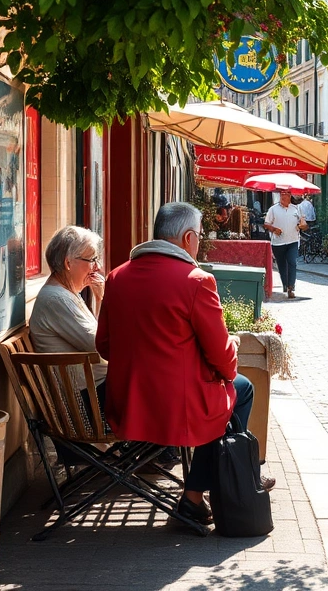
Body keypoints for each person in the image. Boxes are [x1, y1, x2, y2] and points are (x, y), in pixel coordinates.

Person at [96, 202, 273, 526]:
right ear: (188, 238)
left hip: (127, 402)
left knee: (226, 393)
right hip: (175, 408)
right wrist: (229, 351)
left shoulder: (117, 276)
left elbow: (104, 346)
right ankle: (204, 491)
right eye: (200, 236)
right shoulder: (196, 280)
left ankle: (228, 480)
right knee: (239, 389)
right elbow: (223, 359)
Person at [30, 225, 107, 393]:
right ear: (68, 263)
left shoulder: (66, 293)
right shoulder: (57, 299)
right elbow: (100, 346)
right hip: (86, 395)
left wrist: (100, 299)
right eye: (92, 259)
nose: (98, 266)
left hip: (96, 386)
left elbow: (98, 337)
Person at [263, 188, 305, 298]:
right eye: (281, 194)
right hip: (278, 243)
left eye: (286, 194)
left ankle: (291, 287)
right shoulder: (273, 209)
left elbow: (304, 225)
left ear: (290, 196)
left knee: (292, 262)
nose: (283, 196)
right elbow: (266, 224)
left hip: (293, 241)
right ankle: (285, 285)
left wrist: (303, 225)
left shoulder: (296, 209)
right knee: (282, 265)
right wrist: (274, 229)